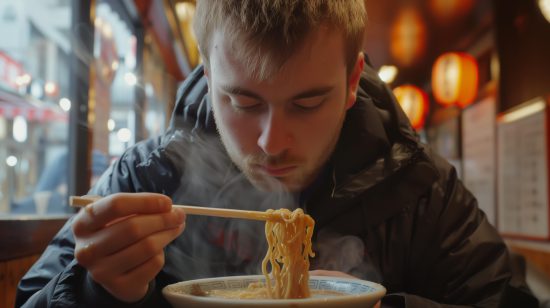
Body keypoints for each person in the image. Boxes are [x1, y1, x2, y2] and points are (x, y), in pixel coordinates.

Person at [16, 1, 538, 307]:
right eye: (243, 101)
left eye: (307, 102)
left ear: (353, 79)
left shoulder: (421, 189)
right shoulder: (145, 177)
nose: (271, 142)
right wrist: (92, 289)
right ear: (210, 72)